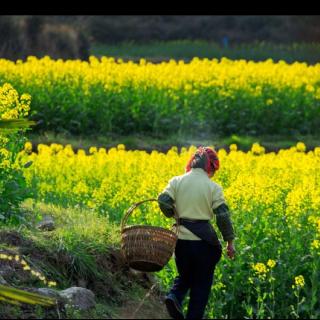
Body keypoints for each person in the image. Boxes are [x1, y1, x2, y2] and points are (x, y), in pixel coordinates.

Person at [158, 146, 236, 319]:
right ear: (211, 167)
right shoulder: (213, 187)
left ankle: (174, 296)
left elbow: (163, 200)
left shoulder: (177, 181)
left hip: (181, 242)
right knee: (201, 287)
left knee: (185, 275)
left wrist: (174, 214)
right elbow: (222, 215)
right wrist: (230, 241)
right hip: (204, 245)